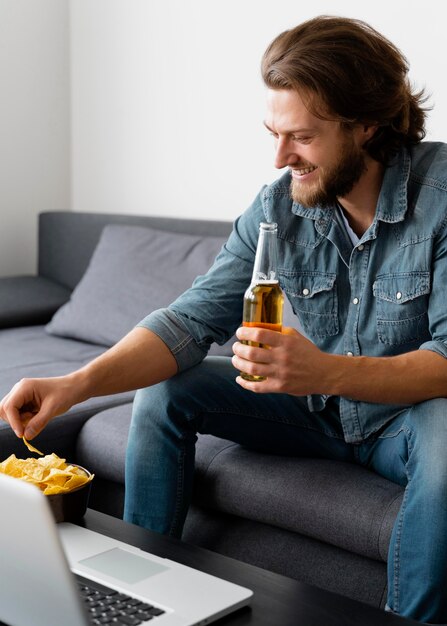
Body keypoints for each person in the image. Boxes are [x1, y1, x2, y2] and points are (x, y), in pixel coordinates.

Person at [1, 14, 447, 623]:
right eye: (274, 133)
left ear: (367, 125)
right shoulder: (277, 206)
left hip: (405, 425)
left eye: (303, 137)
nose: (281, 156)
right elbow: (189, 320)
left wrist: (324, 371)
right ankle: (144, 593)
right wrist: (75, 385)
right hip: (314, 411)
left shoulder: (441, 198)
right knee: (166, 390)